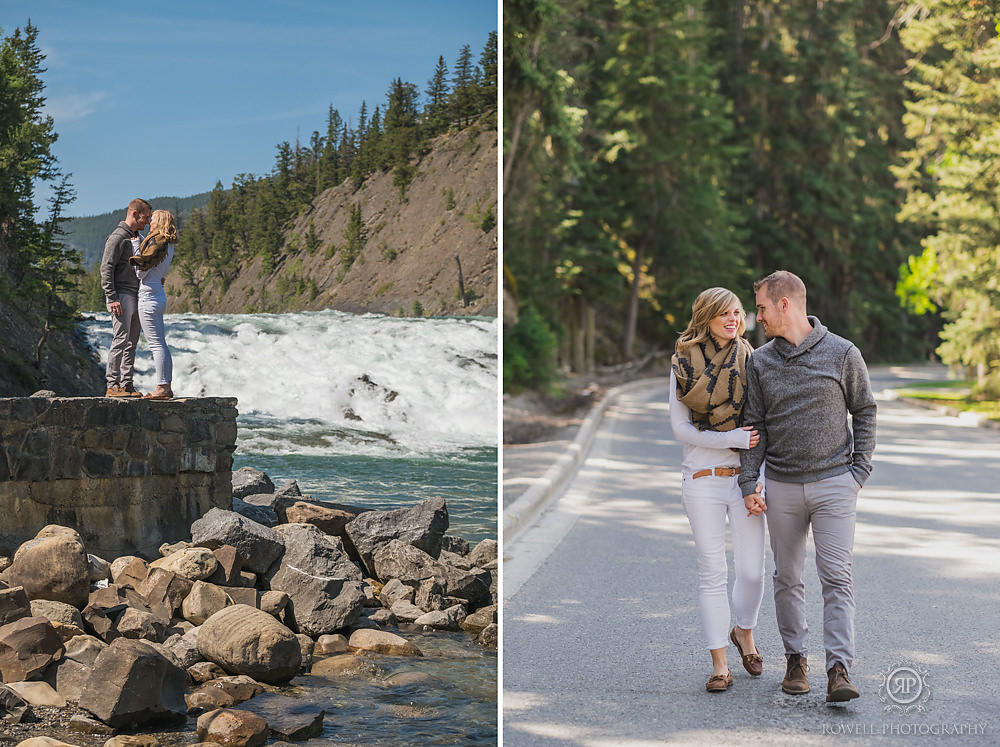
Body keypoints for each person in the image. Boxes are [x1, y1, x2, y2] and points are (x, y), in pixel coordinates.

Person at [738, 270, 876, 703]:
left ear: (784, 305)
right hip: (781, 485)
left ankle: (839, 669)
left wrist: (859, 473)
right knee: (788, 578)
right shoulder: (759, 361)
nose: (756, 316)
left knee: (837, 577)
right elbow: (754, 424)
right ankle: (796, 659)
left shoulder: (842, 353)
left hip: (835, 484)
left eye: (760, 307)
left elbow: (865, 411)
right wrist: (749, 481)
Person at [670, 287, 766, 693]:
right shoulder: (681, 364)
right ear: (706, 317)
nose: (733, 319)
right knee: (712, 571)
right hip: (702, 478)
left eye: (738, 312)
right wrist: (731, 441)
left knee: (752, 571)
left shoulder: (754, 361)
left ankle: (744, 631)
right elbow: (681, 429)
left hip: (746, 479)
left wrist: (757, 470)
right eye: (723, 313)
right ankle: (719, 665)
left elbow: (764, 425)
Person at [101, 198, 151, 397]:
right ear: (134, 214)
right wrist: (111, 296)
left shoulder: (139, 237)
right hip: (121, 294)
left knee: (132, 342)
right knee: (121, 339)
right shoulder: (117, 238)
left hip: (136, 294)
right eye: (144, 217)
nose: (146, 221)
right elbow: (106, 268)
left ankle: (127, 384)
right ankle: (113, 385)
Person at [129, 208, 176, 400]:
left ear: (161, 221)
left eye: (153, 219)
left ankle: (162, 387)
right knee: (161, 343)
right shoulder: (169, 243)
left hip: (148, 296)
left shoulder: (157, 242)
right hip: (159, 295)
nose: (150, 223)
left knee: (156, 345)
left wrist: (135, 247)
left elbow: (141, 272)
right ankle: (166, 386)